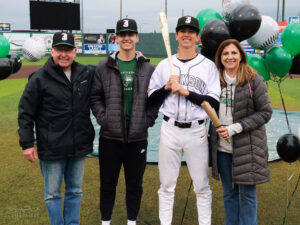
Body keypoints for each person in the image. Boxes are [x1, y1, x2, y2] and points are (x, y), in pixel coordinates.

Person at [148, 16, 221, 225]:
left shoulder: (208, 66)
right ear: (176, 35)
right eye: (183, 30)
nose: (186, 34)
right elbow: (151, 101)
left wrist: (186, 92)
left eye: (191, 31)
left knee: (202, 186)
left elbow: (213, 103)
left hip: (196, 132)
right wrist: (166, 88)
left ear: (197, 37)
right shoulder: (163, 66)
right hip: (169, 130)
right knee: (166, 185)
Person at [18, 32, 95, 225]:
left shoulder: (86, 73)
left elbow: (110, 68)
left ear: (75, 52)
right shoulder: (39, 77)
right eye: (59, 49)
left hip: (78, 145)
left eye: (67, 50)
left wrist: (138, 57)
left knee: (75, 191)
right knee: (52, 194)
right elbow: (26, 112)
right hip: (52, 147)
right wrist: (27, 144)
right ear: (52, 51)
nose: (63, 54)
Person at [90, 18, 158, 225]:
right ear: (116, 38)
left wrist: (147, 120)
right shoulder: (104, 66)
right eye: (123, 35)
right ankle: (105, 222)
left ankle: (131, 221)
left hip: (138, 138)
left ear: (136, 37)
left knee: (134, 185)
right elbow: (95, 97)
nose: (127, 38)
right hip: (110, 138)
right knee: (107, 184)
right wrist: (104, 118)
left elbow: (155, 101)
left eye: (131, 34)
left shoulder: (148, 68)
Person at [209, 39, 272, 225]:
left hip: (248, 148)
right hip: (223, 150)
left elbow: (265, 112)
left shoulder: (254, 79)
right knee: (228, 194)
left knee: (248, 195)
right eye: (225, 53)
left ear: (241, 56)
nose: (230, 57)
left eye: (234, 53)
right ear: (220, 58)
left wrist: (235, 128)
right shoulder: (215, 80)